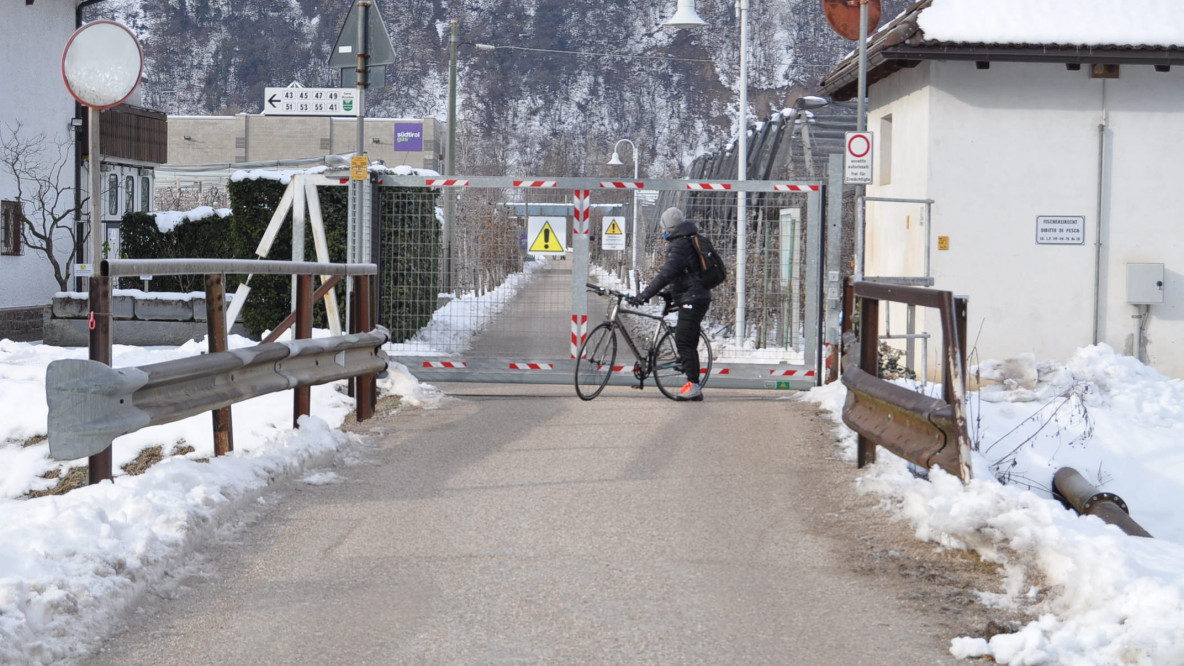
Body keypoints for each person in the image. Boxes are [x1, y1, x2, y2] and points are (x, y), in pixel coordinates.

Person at [629, 206, 710, 401]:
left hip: (693, 298)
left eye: (663, 228)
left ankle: (694, 386)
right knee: (687, 341)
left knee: (683, 341)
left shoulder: (680, 245)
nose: (662, 231)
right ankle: (694, 385)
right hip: (692, 296)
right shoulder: (685, 240)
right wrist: (670, 293)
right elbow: (685, 275)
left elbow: (667, 273)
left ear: (670, 227)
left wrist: (646, 294)